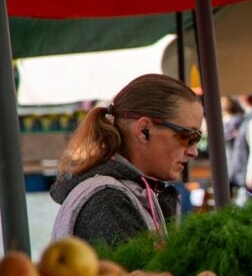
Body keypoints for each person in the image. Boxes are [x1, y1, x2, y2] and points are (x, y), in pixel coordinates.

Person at [50, 74, 203, 246]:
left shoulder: (121, 193)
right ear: (144, 130)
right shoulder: (108, 201)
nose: (194, 152)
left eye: (197, 138)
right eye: (188, 136)